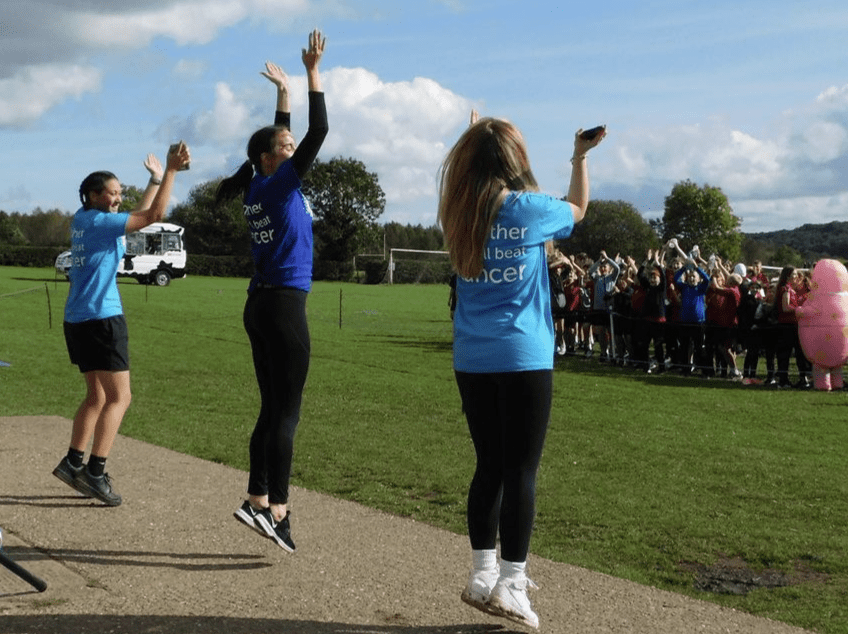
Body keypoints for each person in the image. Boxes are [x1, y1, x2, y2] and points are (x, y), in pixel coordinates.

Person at [438, 114, 604, 629]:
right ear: (515, 160)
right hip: (522, 354)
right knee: (520, 471)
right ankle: (511, 582)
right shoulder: (529, 210)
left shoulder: (458, 212)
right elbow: (576, 209)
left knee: (489, 466)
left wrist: (474, 138)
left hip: (472, 356)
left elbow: (476, 180)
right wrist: (578, 157)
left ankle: (483, 575)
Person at [215, 30, 328, 552]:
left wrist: (282, 95)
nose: (291, 146)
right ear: (267, 158)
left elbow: (280, 136)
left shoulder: (262, 183)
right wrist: (311, 75)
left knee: (270, 407)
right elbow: (318, 129)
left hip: (260, 304)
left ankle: (255, 499)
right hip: (282, 305)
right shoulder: (280, 182)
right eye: (284, 147)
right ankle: (277, 510)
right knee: (286, 412)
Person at [52, 143, 191, 506]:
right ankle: (95, 474)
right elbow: (154, 215)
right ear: (93, 195)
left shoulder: (84, 220)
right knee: (120, 397)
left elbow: (138, 213)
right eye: (110, 194)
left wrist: (154, 179)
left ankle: (72, 462)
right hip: (102, 318)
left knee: (97, 395)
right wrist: (173, 172)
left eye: (118, 193)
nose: (116, 199)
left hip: (78, 319)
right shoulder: (100, 221)